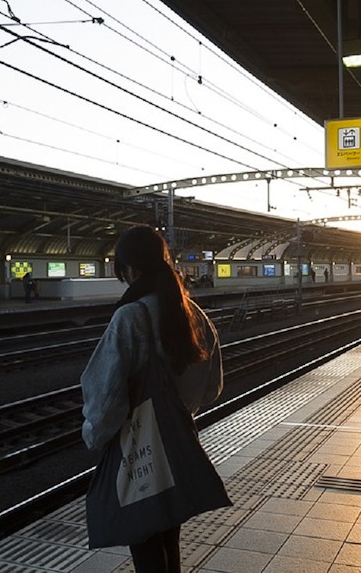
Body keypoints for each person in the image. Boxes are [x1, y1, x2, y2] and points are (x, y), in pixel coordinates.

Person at [80, 225, 224, 573]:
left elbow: (106, 395)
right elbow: (212, 387)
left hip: (138, 451)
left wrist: (94, 434)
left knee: (145, 547)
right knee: (169, 543)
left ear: (129, 269)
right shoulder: (194, 315)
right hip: (176, 446)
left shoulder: (130, 317)